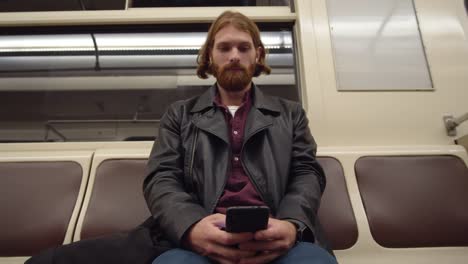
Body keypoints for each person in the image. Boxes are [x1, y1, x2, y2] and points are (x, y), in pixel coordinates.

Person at [143, 10, 337, 264]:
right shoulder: (180, 115)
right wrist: (191, 227)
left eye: (243, 48)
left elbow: (307, 173)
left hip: (276, 238)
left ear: (257, 55)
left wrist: (292, 225)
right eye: (224, 48)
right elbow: (161, 177)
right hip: (200, 243)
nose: (234, 56)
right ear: (210, 55)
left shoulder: (290, 114)